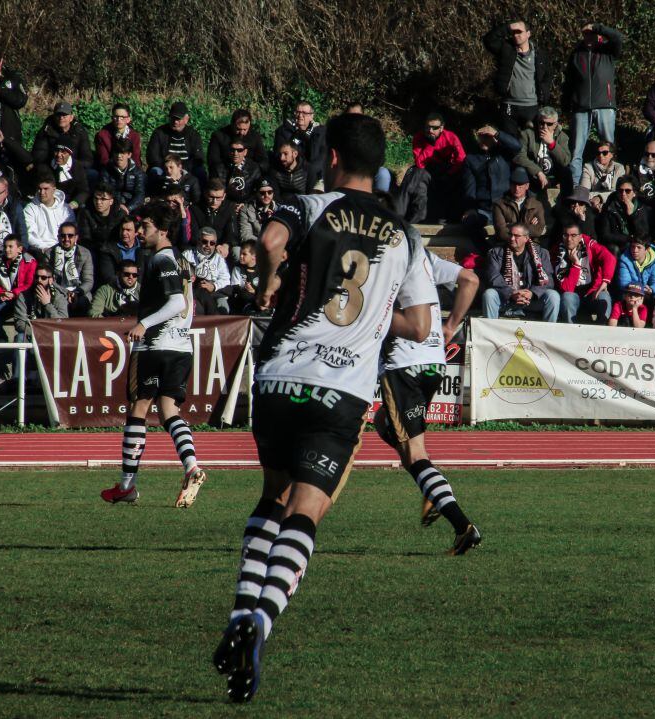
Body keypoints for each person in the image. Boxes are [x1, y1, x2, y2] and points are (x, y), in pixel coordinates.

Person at [211, 112, 436, 704]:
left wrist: (266, 285)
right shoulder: (406, 235)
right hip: (343, 391)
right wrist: (370, 317)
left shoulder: (310, 205)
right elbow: (420, 324)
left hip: (281, 375)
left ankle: (240, 610)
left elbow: (268, 242)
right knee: (306, 513)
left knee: (271, 496)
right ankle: (259, 622)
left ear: (331, 156)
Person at [100, 201, 207, 508]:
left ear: (162, 230)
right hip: (181, 346)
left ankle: (127, 486)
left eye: (145, 227)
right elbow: (183, 302)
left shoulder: (161, 258)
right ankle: (192, 467)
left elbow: (175, 303)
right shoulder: (182, 260)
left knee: (138, 408)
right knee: (169, 410)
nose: (140, 232)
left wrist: (143, 323)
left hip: (155, 346)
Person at [375, 245, 481, 550]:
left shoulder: (378, 256)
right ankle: (432, 487)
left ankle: (463, 526)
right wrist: (451, 325)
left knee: (415, 454)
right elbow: (470, 280)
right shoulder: (422, 255)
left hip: (403, 363)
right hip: (434, 361)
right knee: (385, 422)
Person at [562, 22, 623, 182]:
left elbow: (617, 37)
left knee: (609, 147)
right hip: (580, 107)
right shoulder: (576, 54)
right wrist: (565, 105)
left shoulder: (607, 50)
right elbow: (569, 82)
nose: (589, 37)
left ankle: (612, 181)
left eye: (592, 34)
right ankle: (575, 185)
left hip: (605, 105)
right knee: (576, 149)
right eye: (586, 34)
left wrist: (597, 27)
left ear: (599, 35)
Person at [482, 19, 552, 137]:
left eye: (519, 32)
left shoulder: (539, 54)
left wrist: (543, 95)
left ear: (528, 34)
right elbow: (489, 40)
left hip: (531, 105)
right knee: (509, 142)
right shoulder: (506, 49)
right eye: (513, 32)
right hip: (509, 104)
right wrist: (508, 27)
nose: (516, 35)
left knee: (533, 141)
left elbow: (547, 76)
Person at [396, 113, 466, 223]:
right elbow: (420, 164)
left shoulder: (451, 137)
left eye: (435, 128)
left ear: (442, 128)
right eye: (428, 127)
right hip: (426, 169)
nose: (430, 131)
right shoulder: (419, 137)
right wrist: (430, 145)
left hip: (448, 170)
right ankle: (404, 216)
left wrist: (450, 173)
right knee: (416, 175)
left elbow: (461, 159)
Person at [483, 222, 559, 320]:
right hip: (506, 299)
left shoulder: (541, 253)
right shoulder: (496, 253)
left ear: (526, 238)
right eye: (510, 234)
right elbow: (493, 278)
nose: (512, 238)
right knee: (489, 294)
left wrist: (532, 293)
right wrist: (512, 293)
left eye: (517, 236)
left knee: (553, 296)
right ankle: (489, 332)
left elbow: (548, 279)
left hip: (531, 300)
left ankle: (549, 332)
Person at [550, 220, 613, 323]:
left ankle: (602, 331)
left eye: (573, 235)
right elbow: (567, 288)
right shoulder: (557, 251)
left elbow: (609, 257)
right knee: (567, 297)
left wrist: (605, 280)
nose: (569, 239)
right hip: (573, 294)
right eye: (566, 235)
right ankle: (571, 332)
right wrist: (575, 265)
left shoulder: (590, 245)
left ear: (580, 237)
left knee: (604, 296)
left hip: (591, 292)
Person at [460, 125, 521, 228]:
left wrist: (498, 133)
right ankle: (483, 245)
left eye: (487, 136)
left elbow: (517, 146)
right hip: (484, 210)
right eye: (480, 136)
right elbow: (470, 188)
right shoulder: (471, 158)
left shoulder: (504, 153)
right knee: (469, 222)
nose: (483, 139)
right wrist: (471, 208)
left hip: (505, 208)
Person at [513, 106, 572, 193]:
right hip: (533, 176)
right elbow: (519, 156)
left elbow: (565, 161)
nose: (544, 127)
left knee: (567, 172)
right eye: (541, 123)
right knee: (519, 170)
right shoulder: (527, 134)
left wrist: (552, 143)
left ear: (555, 125)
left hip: (554, 176)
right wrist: (538, 172)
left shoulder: (562, 137)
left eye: (549, 124)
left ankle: (567, 203)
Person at [146, 102, 205, 182]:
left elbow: (198, 158)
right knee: (155, 171)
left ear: (186, 119)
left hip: (186, 169)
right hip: (164, 167)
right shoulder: (159, 133)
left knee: (200, 172)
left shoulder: (193, 135)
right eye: (173, 118)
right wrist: (168, 169)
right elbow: (152, 156)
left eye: (178, 119)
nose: (175, 122)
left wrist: (179, 170)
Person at [272, 101, 326, 185]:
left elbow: (317, 156)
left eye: (304, 113)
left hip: (313, 176)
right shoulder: (284, 131)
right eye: (298, 112)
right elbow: (278, 155)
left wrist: (303, 136)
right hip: (289, 175)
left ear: (311, 116)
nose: (300, 116)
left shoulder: (319, 132)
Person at [46, 221, 94, 316]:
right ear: (58, 237)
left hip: (79, 290)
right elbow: (49, 280)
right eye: (63, 236)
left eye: (70, 236)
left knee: (83, 303)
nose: (66, 239)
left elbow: (88, 280)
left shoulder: (85, 253)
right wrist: (66, 292)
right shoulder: (49, 253)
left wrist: (77, 292)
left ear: (76, 237)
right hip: (57, 290)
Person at [13, 260, 68, 340]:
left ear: (51, 280)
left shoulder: (59, 297)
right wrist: (38, 333)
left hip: (53, 335)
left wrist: (47, 305)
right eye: (36, 277)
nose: (39, 280)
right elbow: (20, 323)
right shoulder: (24, 296)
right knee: (20, 337)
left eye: (43, 278)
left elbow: (63, 323)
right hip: (32, 334)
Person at [23, 171, 75, 254]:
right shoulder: (30, 209)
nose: (42, 192)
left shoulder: (66, 209)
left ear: (54, 189)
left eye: (46, 189)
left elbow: (72, 232)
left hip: (65, 248)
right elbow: (29, 235)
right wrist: (45, 248)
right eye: (39, 189)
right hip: (41, 251)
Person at [32, 102, 93, 171]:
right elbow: (38, 157)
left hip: (75, 169)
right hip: (51, 169)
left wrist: (70, 165)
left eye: (64, 115)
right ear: (54, 116)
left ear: (71, 117)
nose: (61, 118)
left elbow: (87, 159)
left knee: (93, 174)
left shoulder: (80, 132)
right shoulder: (46, 131)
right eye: (58, 115)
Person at [596, 175, 649, 256]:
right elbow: (605, 235)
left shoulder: (641, 208)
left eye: (627, 191)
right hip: (617, 244)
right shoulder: (609, 207)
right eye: (620, 191)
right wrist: (628, 239)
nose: (623, 194)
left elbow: (643, 233)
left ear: (634, 193)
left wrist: (632, 215)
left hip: (636, 245)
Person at [183, 227, 231, 315]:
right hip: (193, 293)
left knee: (224, 308)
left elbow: (226, 280)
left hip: (215, 294)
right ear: (198, 241)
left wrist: (214, 286)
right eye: (205, 242)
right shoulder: (187, 254)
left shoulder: (219, 259)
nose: (208, 245)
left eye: (212, 243)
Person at [492, 168, 546, 244]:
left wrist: (510, 226)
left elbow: (538, 230)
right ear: (510, 185)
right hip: (507, 243)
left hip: (531, 243)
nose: (516, 188)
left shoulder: (537, 205)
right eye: (514, 184)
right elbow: (502, 232)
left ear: (527, 186)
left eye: (520, 185)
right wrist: (528, 225)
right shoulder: (499, 205)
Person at [99, 138, 146, 214]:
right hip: (112, 204)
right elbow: (104, 191)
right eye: (116, 153)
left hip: (131, 206)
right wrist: (117, 205)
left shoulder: (137, 172)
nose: (119, 156)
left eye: (122, 153)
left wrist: (128, 208)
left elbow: (140, 194)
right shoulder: (106, 170)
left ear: (129, 155)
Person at [95, 216, 145, 288]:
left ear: (136, 232)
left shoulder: (144, 249)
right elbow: (108, 276)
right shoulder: (108, 249)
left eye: (128, 230)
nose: (124, 233)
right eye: (122, 229)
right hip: (115, 289)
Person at [78, 183, 128, 250]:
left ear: (111, 201)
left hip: (115, 250)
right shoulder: (85, 213)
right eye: (96, 198)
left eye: (103, 199)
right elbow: (85, 239)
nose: (98, 202)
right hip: (93, 250)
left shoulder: (120, 214)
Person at [214, 139, 263, 205]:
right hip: (225, 204)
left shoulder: (254, 168)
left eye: (239, 150)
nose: (235, 153)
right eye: (232, 150)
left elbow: (258, 190)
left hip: (248, 204)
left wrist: (245, 204)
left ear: (245, 152)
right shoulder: (219, 168)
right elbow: (215, 190)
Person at [94, 103, 142, 169]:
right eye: (116, 117)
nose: (119, 120)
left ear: (128, 119)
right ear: (112, 118)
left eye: (122, 117)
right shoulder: (102, 135)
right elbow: (104, 160)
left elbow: (136, 159)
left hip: (130, 171)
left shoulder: (135, 136)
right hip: (109, 170)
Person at [197, 179, 238, 252]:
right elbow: (194, 233)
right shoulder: (196, 208)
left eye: (218, 198)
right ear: (205, 194)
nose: (214, 201)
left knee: (236, 251)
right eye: (211, 197)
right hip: (202, 245)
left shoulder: (229, 207)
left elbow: (232, 232)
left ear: (224, 196)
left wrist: (226, 245)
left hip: (222, 246)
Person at [50, 142, 89, 209]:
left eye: (63, 152)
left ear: (69, 154)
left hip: (70, 203)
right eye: (57, 151)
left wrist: (75, 202)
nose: (59, 155)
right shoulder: (48, 165)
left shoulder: (77, 167)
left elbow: (83, 191)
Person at [238, 178, 278, 243]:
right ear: (256, 193)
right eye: (262, 193)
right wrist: (264, 243)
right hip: (255, 247)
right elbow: (245, 235)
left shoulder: (280, 209)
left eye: (270, 192)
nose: (266, 195)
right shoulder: (246, 209)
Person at [228, 240, 261, 314]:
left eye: (244, 254)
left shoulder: (262, 270)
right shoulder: (238, 268)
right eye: (240, 253)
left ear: (254, 256)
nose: (241, 256)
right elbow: (235, 288)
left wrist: (253, 291)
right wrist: (245, 289)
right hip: (242, 301)